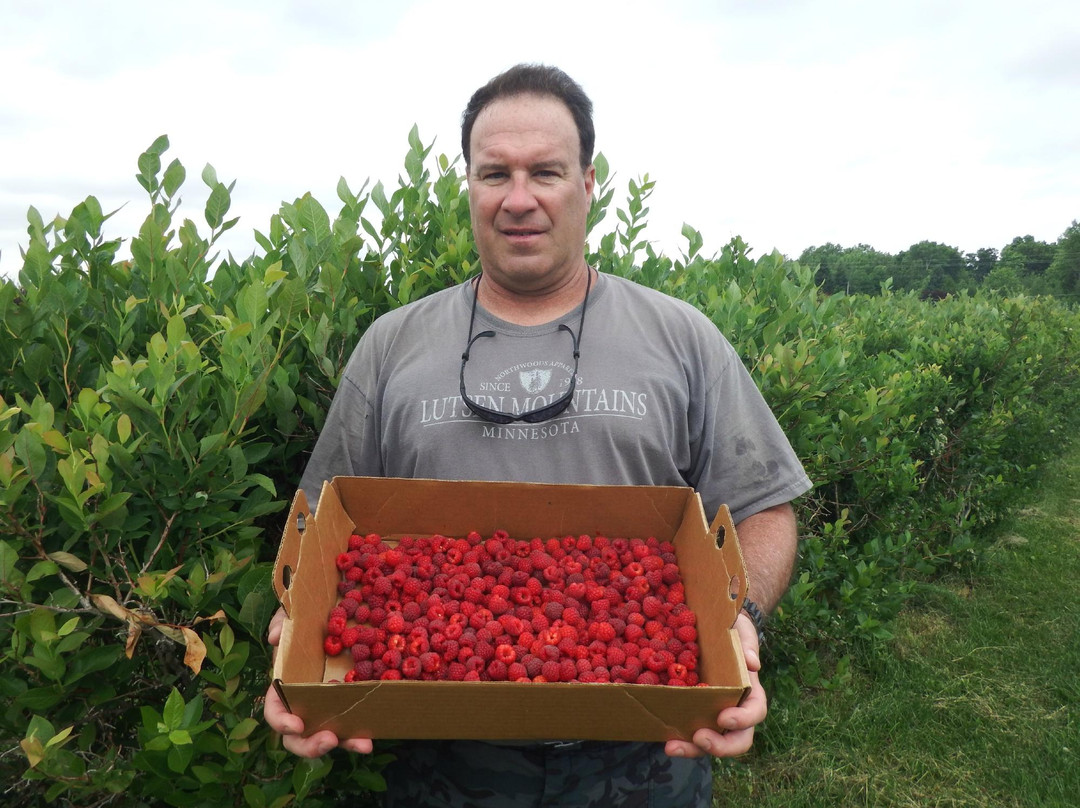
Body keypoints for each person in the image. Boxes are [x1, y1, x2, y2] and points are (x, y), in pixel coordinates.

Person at [264, 63, 812, 807]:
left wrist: (737, 624)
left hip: (646, 751)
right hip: (433, 759)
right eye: (495, 173)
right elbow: (323, 540)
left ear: (588, 185)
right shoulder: (391, 347)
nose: (518, 199)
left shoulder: (682, 338)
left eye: (545, 172)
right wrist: (292, 645)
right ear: (468, 186)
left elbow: (764, 507)